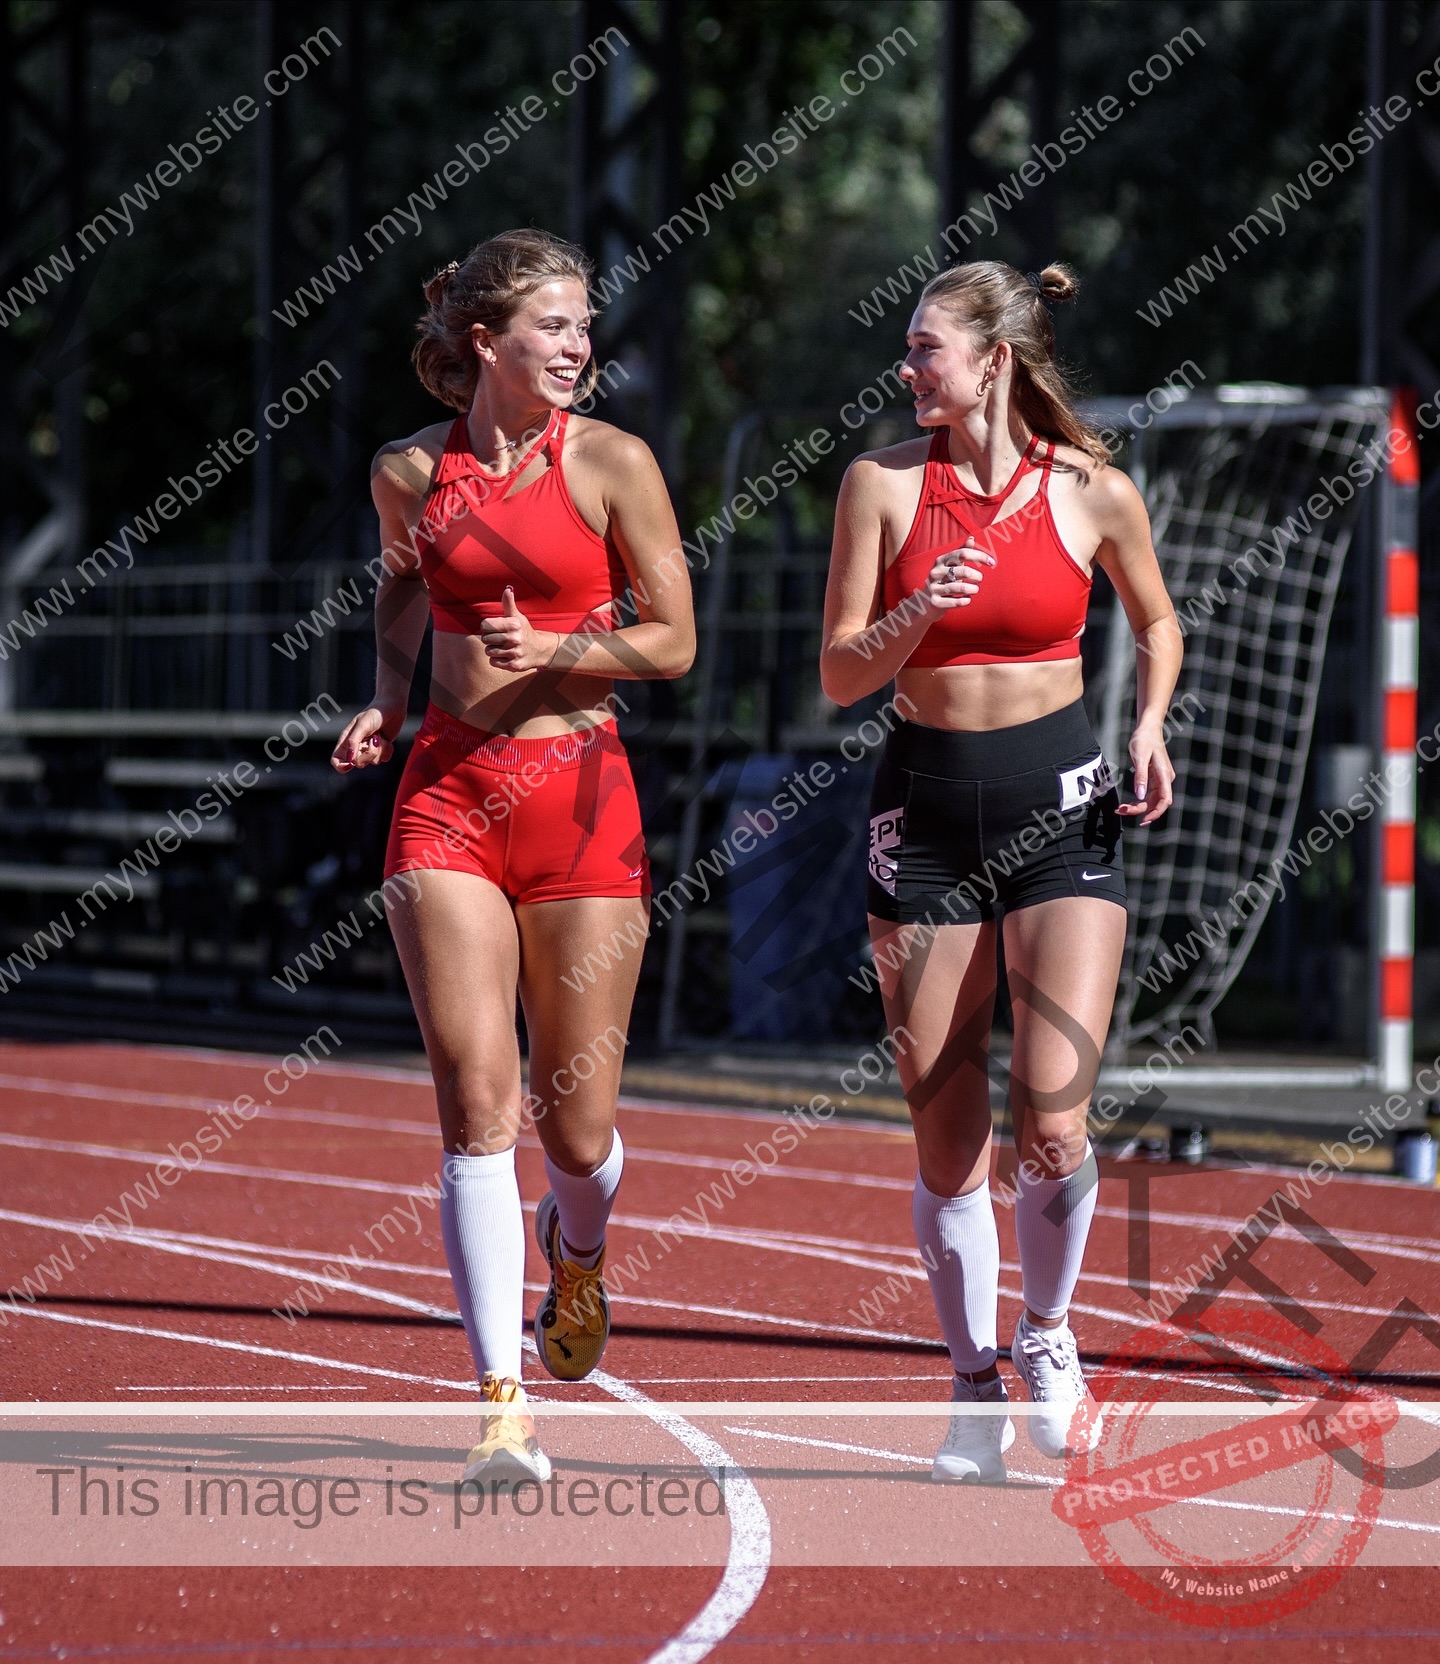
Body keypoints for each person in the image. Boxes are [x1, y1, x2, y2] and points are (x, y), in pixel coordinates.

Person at [332, 229, 694, 1482]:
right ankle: (501, 1406)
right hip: (446, 795)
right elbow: (395, 590)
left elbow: (675, 641)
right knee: (477, 1102)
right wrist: (385, 691)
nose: (579, 346)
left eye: (585, 325)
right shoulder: (406, 470)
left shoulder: (613, 463)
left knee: (575, 1128)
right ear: (486, 340)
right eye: (554, 325)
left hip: (583, 798)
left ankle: (577, 1245)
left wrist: (560, 655)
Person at [820, 261, 1180, 1483]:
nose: (909, 366)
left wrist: (1149, 718)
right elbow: (841, 674)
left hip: (1062, 812)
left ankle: (1048, 1331)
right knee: (945, 1132)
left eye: (928, 348)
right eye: (909, 347)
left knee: (1057, 1114)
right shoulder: (878, 487)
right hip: (922, 818)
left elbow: (1160, 617)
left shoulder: (1091, 490)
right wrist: (921, 604)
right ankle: (971, 1385)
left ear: (995, 360)